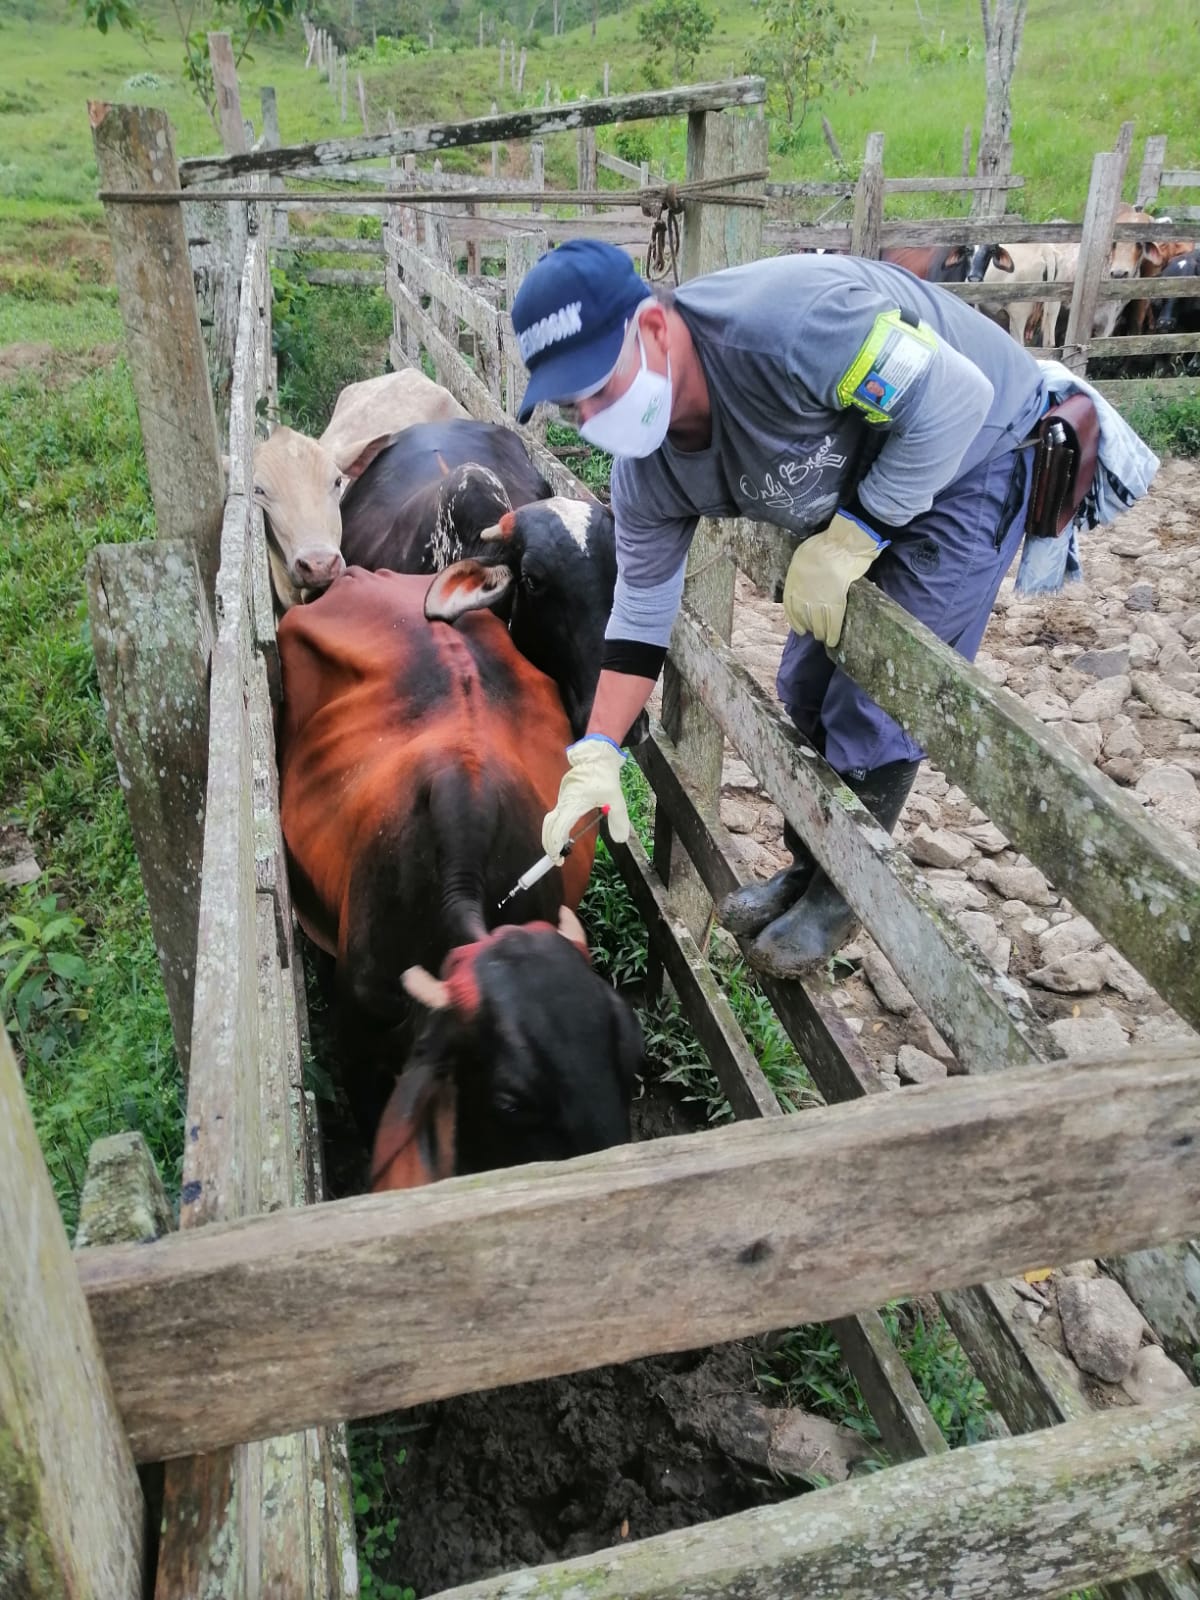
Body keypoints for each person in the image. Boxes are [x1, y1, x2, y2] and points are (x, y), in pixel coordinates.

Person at [510, 238, 1047, 979]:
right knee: (803, 683)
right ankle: (811, 866)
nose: (595, 414)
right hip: (870, 463)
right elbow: (639, 617)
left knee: (873, 699)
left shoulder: (790, 331)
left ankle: (845, 892)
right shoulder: (647, 475)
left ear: (656, 329)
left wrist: (861, 532)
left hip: (970, 450)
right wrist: (596, 751)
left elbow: (953, 400)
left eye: (601, 384)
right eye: (575, 406)